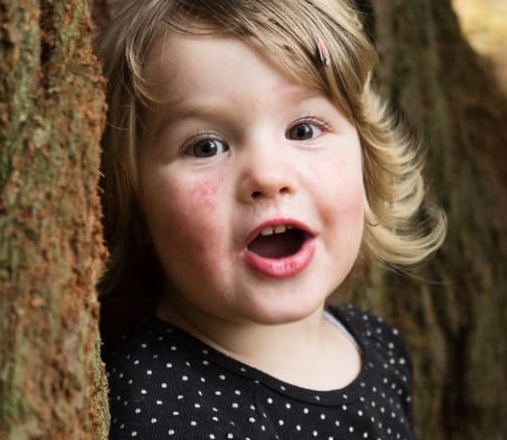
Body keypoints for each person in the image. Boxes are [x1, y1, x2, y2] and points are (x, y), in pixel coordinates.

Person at [95, 1, 446, 439]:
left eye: (303, 130)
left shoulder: (378, 348)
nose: (267, 175)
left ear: (367, 161)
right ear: (135, 200)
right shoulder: (155, 409)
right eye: (206, 147)